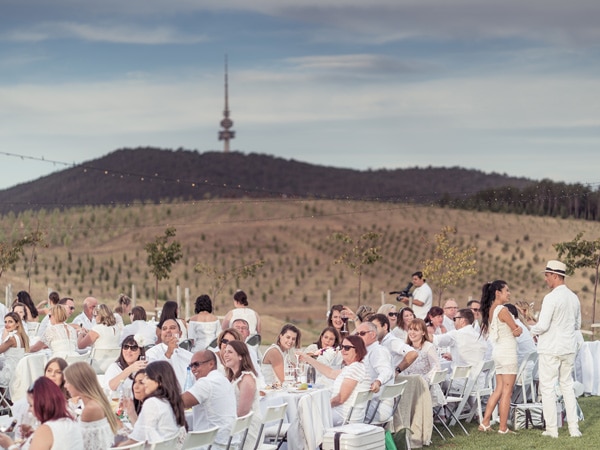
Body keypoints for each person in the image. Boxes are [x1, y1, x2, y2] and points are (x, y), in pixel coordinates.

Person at [530, 260, 582, 438]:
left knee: (547, 388)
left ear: (555, 276)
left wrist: (530, 329)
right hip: (568, 348)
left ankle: (552, 429)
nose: (545, 279)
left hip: (551, 348)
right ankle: (574, 429)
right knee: (567, 386)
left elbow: (543, 325)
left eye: (547, 275)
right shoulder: (574, 298)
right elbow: (577, 324)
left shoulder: (551, 298)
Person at [478, 280, 522, 434]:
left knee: (499, 389)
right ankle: (503, 428)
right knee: (507, 392)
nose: (509, 293)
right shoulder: (503, 310)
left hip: (498, 352)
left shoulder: (491, 310)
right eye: (507, 290)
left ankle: (485, 422)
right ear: (498, 293)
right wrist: (519, 327)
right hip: (507, 352)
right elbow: (516, 330)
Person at [299, 334, 371, 425]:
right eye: (342, 347)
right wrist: (307, 358)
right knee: (307, 414)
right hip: (346, 415)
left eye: (347, 348)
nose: (343, 350)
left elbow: (340, 399)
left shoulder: (355, 369)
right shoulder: (355, 367)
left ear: (358, 350)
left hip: (342, 417)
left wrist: (323, 406)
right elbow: (330, 373)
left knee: (304, 417)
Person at [0, 377, 83, 450]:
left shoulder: (46, 429)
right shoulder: (69, 421)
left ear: (42, 404)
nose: (29, 410)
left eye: (31, 405)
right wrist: (33, 436)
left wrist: (10, 445)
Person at [119, 361, 187, 449]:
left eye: (147, 377)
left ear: (160, 382)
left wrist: (116, 447)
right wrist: (131, 413)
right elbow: (145, 432)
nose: (144, 381)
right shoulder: (168, 401)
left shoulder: (153, 403)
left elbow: (137, 441)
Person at [182, 350, 237, 447]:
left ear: (211, 364)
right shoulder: (223, 380)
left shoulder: (207, 382)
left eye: (196, 364)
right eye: (191, 366)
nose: (193, 369)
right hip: (230, 443)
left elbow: (179, 402)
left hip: (212, 444)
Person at [64, 361, 120, 450]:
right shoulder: (96, 402)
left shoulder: (91, 409)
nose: (65, 386)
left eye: (67, 382)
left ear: (77, 382)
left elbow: (85, 446)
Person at [432, 309, 489, 386]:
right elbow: (472, 356)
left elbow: (435, 340)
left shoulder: (456, 334)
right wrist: (454, 356)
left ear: (462, 320)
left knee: (434, 379)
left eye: (455, 319)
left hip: (461, 383)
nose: (453, 321)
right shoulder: (478, 336)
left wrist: (421, 331)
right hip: (479, 382)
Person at [223, 340, 262, 450]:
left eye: (230, 352)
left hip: (247, 429)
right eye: (225, 351)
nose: (225, 354)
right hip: (238, 425)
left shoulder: (247, 378)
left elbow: (243, 412)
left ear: (240, 356)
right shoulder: (231, 378)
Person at [146, 319, 192, 391]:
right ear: (161, 335)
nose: (168, 331)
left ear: (180, 334)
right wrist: (168, 353)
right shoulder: (152, 353)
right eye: (164, 329)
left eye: (172, 328)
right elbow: (152, 375)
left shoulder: (189, 356)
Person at [0, 312, 29, 388]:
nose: (7, 324)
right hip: (17, 372)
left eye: (10, 322)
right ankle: (3, 399)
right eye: (5, 322)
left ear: (17, 324)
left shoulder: (12, 338)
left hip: (10, 375)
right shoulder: (20, 336)